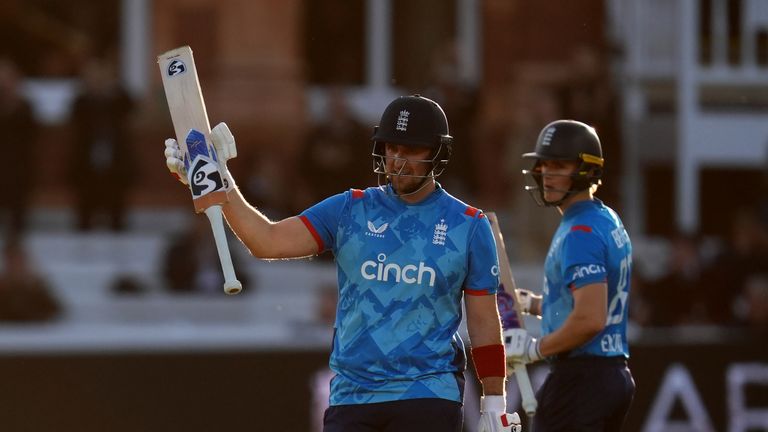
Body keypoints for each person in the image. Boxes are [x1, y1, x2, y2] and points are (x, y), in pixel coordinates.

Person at [164, 95, 521, 432]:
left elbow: (484, 322)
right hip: (352, 395)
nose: (397, 159)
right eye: (391, 148)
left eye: (411, 149)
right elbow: (266, 241)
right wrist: (217, 181)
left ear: (439, 153)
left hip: (427, 393)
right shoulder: (349, 208)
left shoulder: (468, 225)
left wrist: (494, 402)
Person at [503, 120, 635, 431]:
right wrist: (535, 304)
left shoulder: (580, 232)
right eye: (545, 164)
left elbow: (590, 318)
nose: (547, 174)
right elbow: (588, 299)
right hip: (610, 374)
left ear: (587, 170)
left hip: (581, 378)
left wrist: (535, 348)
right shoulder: (604, 217)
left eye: (559, 165)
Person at [68, 57, 136, 231]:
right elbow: (76, 111)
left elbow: (130, 105)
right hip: (86, 167)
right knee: (84, 213)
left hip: (117, 166)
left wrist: (110, 89)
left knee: (117, 213)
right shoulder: (82, 102)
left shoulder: (118, 101)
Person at [0, 58, 39, 234]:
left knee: (16, 211)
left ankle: (16, 247)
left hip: (18, 166)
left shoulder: (25, 107)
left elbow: (32, 137)